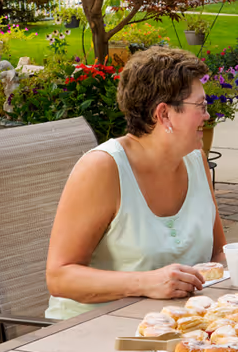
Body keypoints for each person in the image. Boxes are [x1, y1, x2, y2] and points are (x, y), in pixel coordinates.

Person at [45, 48, 227, 320]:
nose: (207, 116)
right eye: (200, 106)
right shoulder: (103, 169)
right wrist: (145, 283)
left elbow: (219, 254)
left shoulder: (194, 160)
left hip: (175, 328)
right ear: (164, 114)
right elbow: (60, 277)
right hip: (89, 332)